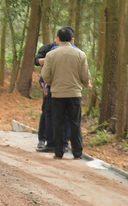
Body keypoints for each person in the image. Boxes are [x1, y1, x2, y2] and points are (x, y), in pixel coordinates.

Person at [42, 27, 91, 160]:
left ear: (57, 39)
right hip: (75, 94)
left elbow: (45, 75)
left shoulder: (51, 55)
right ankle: (77, 152)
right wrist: (84, 84)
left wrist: (53, 83)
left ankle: (58, 152)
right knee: (75, 123)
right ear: (72, 39)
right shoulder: (80, 54)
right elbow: (85, 76)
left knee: (58, 122)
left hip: (57, 94)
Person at [34, 26, 75, 152]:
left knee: (64, 116)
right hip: (50, 86)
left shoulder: (73, 51)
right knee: (47, 113)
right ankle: (43, 139)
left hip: (64, 88)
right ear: (57, 38)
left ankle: (63, 143)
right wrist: (50, 60)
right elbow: (36, 61)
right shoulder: (48, 49)